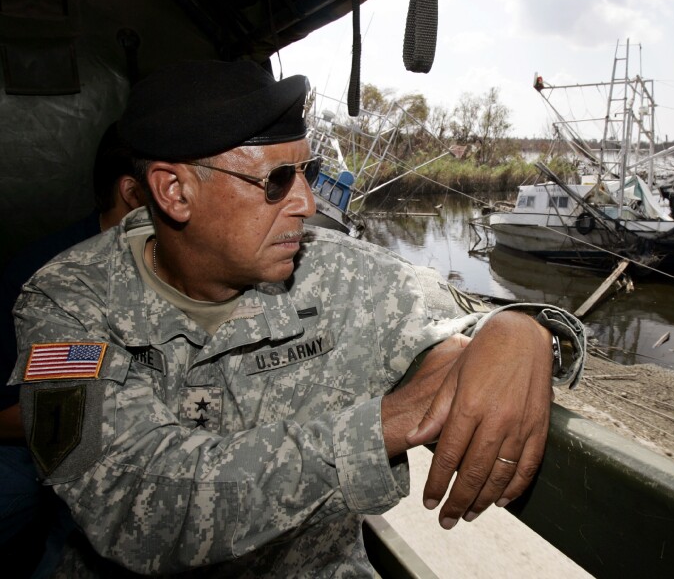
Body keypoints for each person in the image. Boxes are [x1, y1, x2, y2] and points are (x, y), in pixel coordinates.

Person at [8, 60, 585, 577]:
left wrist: (522, 332)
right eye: (277, 181)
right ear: (175, 192)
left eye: (306, 171)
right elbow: (132, 503)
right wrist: (385, 423)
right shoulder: (69, 300)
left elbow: (472, 324)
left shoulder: (338, 272)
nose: (307, 203)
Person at [0, 123, 145, 578]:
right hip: (24, 447)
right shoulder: (48, 277)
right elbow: (13, 413)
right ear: (134, 192)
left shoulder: (177, 275)